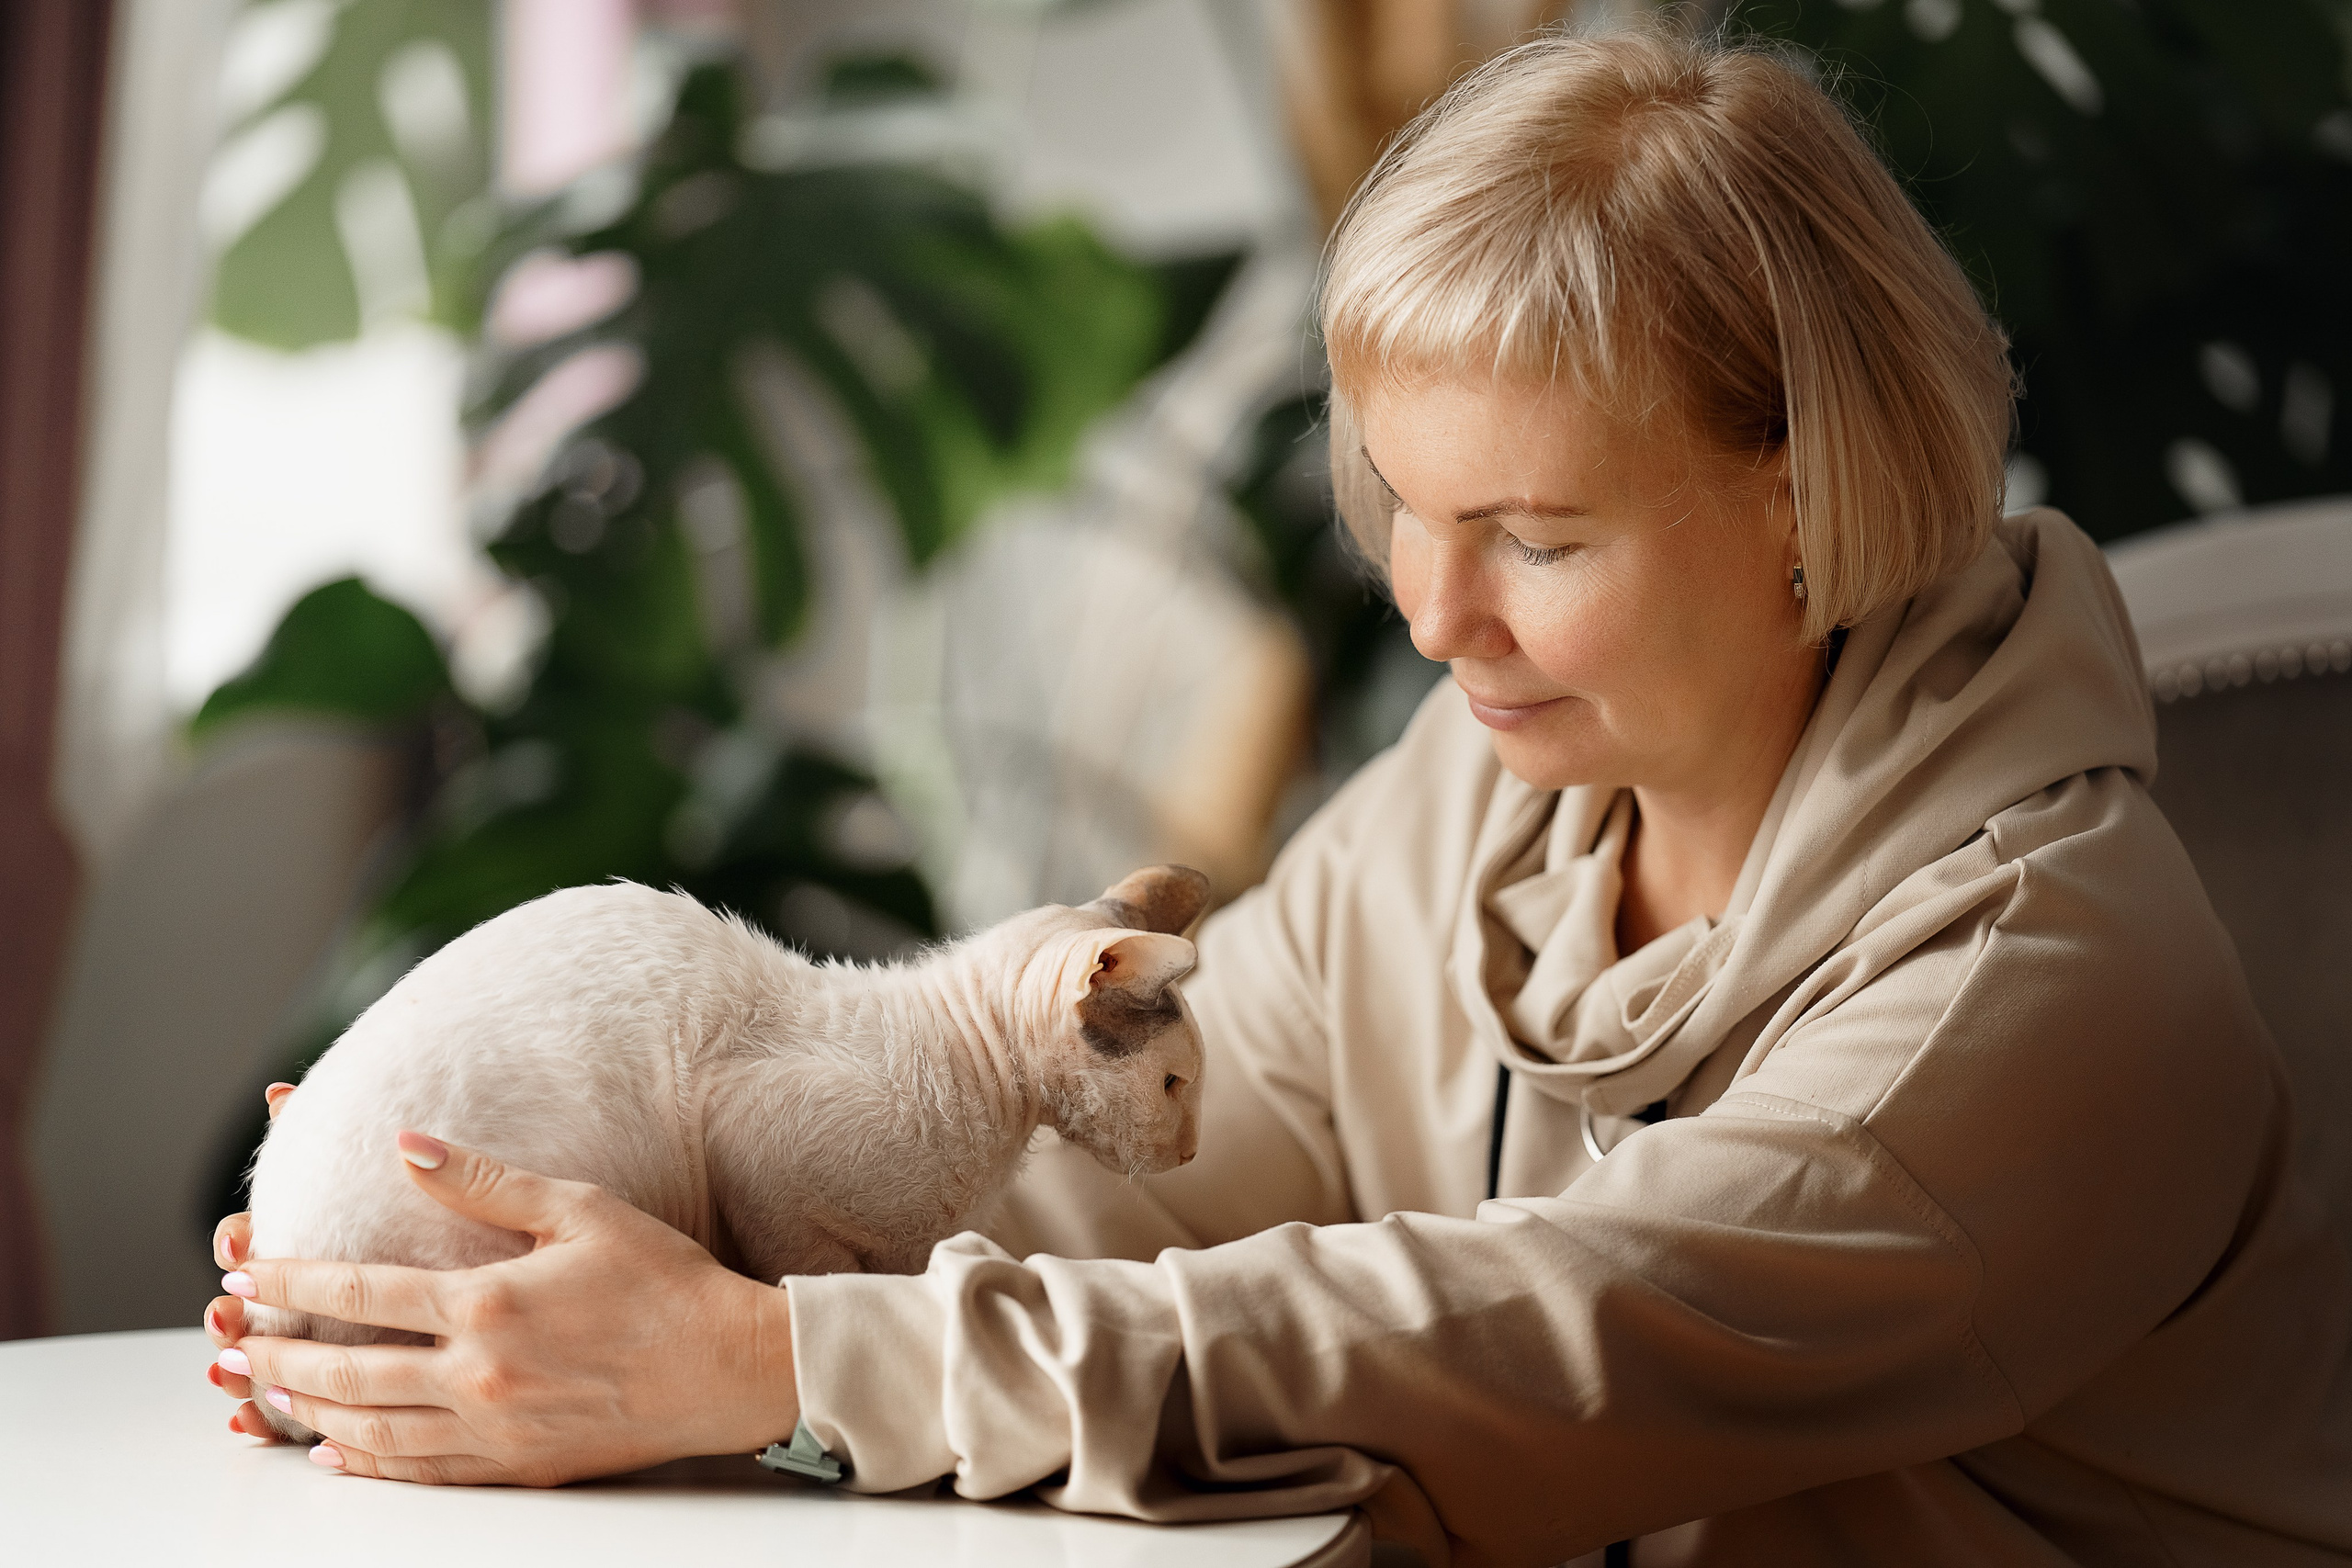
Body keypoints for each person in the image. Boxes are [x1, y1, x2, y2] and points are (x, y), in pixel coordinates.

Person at [202, 25, 2352, 1566]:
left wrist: (763, 1357)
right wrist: (522, 1259)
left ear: (1804, 499)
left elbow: (1508, 1344)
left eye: (1533, 534)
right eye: (1401, 512)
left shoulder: (2043, 980)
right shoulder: (1486, 809)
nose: (1430, 616)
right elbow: (1150, 1194)